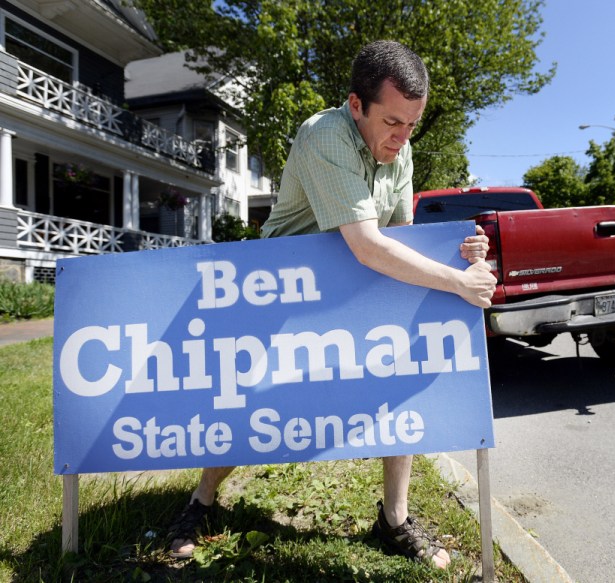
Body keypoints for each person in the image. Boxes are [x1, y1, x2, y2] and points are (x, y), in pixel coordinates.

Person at [168, 39, 495, 569]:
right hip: (278, 291)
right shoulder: (325, 135)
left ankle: (394, 519)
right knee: (250, 405)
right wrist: (458, 284)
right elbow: (368, 244)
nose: (402, 137)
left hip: (354, 286)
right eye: (392, 122)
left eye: (412, 124)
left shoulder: (402, 150)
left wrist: (459, 253)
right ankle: (201, 501)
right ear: (355, 105)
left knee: (396, 386)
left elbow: (399, 239)